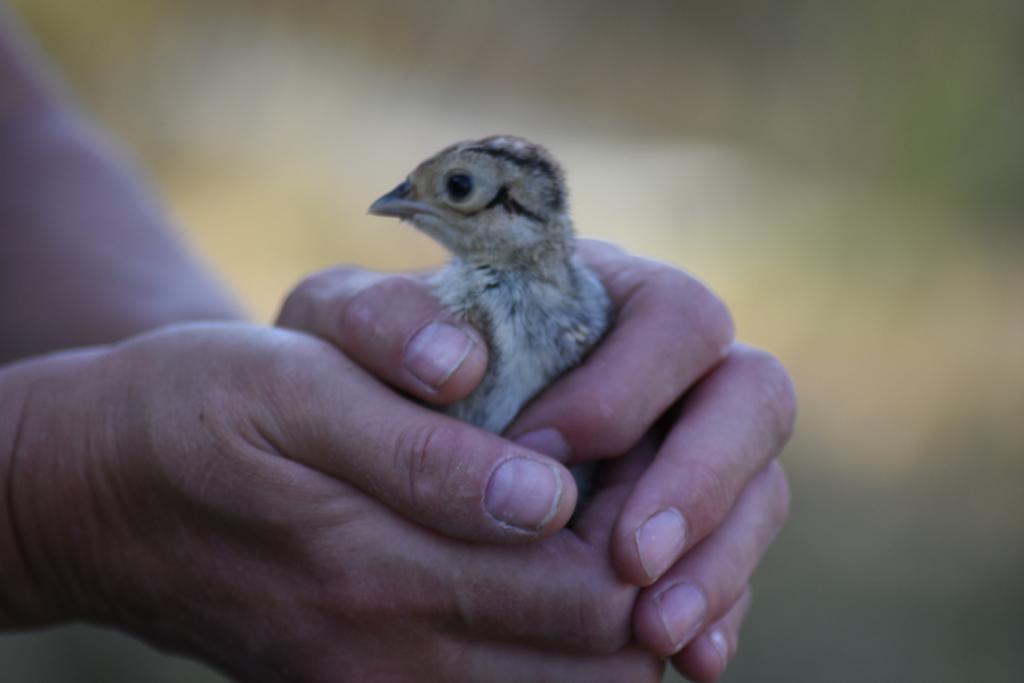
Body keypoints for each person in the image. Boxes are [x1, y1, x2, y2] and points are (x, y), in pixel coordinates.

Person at [0, 6, 794, 682]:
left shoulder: (568, 310)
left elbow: (19, 141)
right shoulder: (456, 313)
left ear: (523, 216)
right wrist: (56, 486)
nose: (410, 203)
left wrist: (221, 409)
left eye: (456, 189)